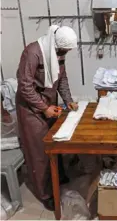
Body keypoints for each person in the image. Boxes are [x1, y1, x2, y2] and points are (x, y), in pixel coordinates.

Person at [16, 25, 79, 211]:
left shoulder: (58, 54)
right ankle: (46, 194)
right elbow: (25, 86)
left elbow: (62, 79)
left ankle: (58, 176)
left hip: (50, 105)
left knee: (54, 144)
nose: (66, 54)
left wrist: (69, 101)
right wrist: (43, 108)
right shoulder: (33, 52)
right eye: (65, 50)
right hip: (31, 109)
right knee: (39, 152)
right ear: (57, 45)